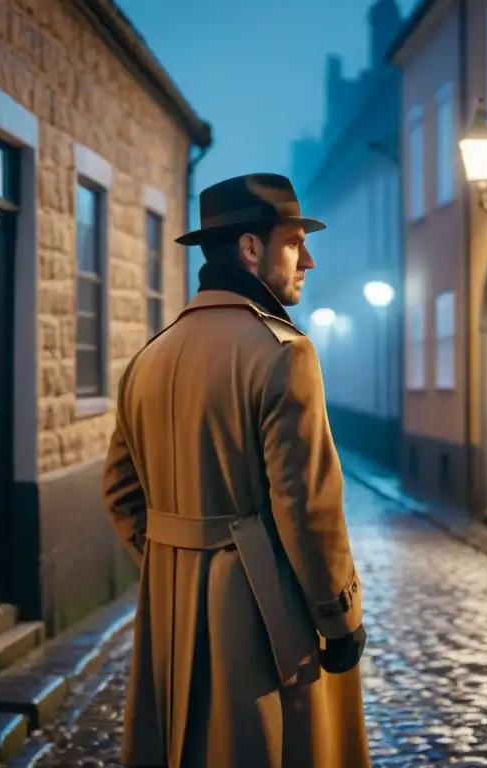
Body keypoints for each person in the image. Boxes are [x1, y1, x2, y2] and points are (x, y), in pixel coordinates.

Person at [102, 173, 371, 767]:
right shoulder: (283, 352)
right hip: (262, 619)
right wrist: (340, 618)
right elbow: (305, 508)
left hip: (168, 613)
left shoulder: (148, 357)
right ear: (250, 249)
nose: (310, 260)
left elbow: (121, 494)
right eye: (295, 242)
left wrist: (177, 561)